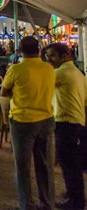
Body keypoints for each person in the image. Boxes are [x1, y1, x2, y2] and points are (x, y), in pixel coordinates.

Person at [2, 36, 55, 210]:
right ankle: (46, 203)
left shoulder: (16, 69)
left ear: (19, 50)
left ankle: (26, 205)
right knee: (44, 165)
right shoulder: (49, 68)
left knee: (22, 166)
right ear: (39, 49)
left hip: (22, 121)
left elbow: (4, 91)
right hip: (46, 120)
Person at [45, 43, 86, 209]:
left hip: (66, 121)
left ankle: (75, 201)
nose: (49, 59)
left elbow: (42, 82)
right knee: (72, 163)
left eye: (52, 56)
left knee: (69, 163)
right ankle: (74, 195)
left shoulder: (61, 73)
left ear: (65, 56)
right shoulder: (77, 73)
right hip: (77, 121)